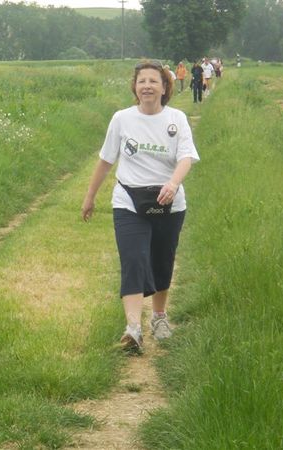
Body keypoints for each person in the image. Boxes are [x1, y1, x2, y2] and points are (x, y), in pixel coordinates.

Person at [81, 60, 199, 353]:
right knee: (133, 259)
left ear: (164, 87)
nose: (147, 85)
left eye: (153, 81)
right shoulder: (122, 118)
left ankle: (159, 317)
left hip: (168, 201)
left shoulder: (177, 119)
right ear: (135, 87)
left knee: (162, 260)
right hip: (128, 200)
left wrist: (172, 184)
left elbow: (186, 156)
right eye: (142, 81)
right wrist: (90, 196)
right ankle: (133, 328)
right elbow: (106, 160)